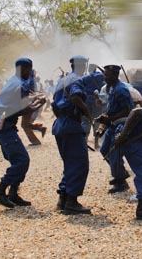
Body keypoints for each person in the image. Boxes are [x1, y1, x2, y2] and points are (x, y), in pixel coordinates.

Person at [0, 58, 44, 208]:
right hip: (5, 124)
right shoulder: (18, 85)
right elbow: (22, 109)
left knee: (18, 160)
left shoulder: (15, 81)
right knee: (22, 160)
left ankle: (13, 193)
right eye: (30, 70)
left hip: (6, 123)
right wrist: (37, 105)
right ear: (25, 69)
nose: (31, 73)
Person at [51, 71, 99, 214]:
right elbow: (76, 97)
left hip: (60, 125)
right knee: (80, 164)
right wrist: (87, 113)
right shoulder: (77, 80)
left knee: (70, 164)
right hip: (71, 125)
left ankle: (63, 199)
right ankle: (72, 202)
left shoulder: (62, 80)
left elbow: (54, 103)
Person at [99, 64, 135, 193]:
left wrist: (110, 118)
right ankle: (121, 174)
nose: (104, 78)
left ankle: (120, 182)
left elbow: (127, 111)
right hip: (112, 125)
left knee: (114, 154)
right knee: (104, 151)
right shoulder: (113, 88)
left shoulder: (121, 90)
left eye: (107, 75)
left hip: (121, 125)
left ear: (115, 75)